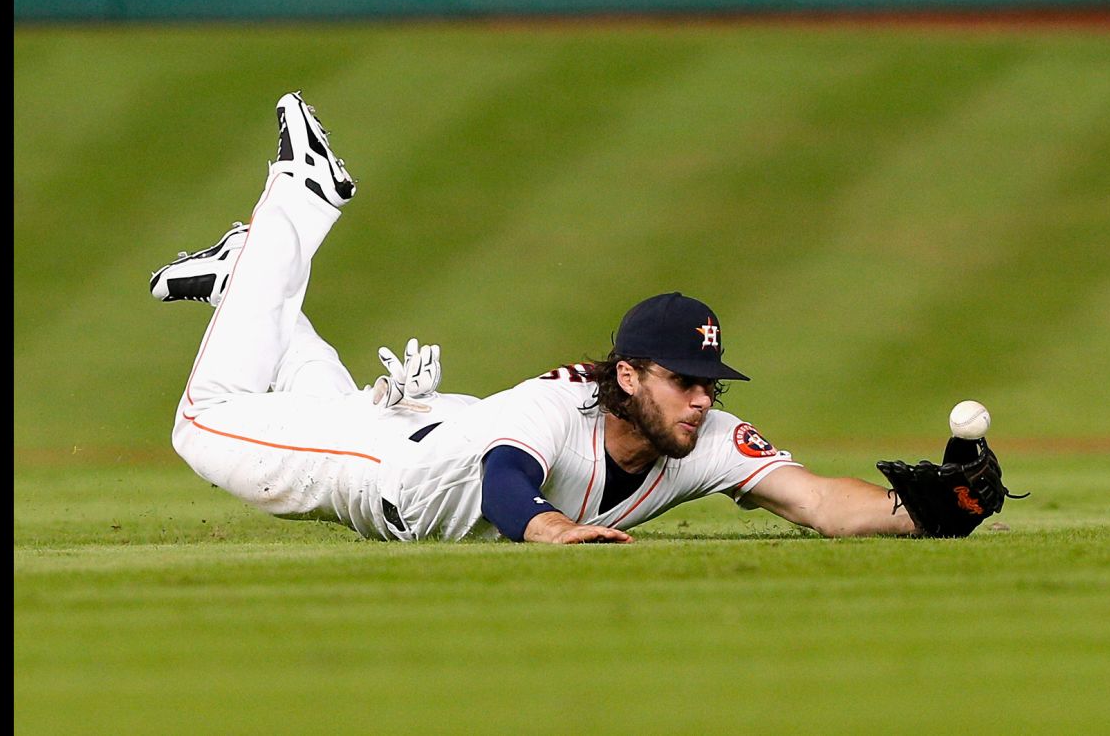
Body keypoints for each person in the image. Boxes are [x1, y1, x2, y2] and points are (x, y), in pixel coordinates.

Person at [150, 92, 998, 544]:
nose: (702, 400)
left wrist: (926, 512)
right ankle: (297, 199)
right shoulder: (557, 404)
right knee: (204, 421)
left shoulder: (700, 438)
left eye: (707, 383)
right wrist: (553, 530)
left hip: (426, 429)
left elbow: (817, 501)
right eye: (683, 382)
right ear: (627, 375)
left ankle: (248, 274)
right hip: (379, 468)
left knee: (279, 358)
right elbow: (504, 482)